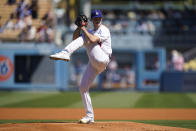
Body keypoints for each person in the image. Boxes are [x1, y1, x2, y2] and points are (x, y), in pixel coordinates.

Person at [50, 9, 112, 124]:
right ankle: (90, 116)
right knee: (83, 87)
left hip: (103, 58)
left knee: (86, 38)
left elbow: (92, 39)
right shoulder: (90, 30)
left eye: (99, 18)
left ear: (102, 19)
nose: (97, 19)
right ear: (92, 20)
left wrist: (83, 29)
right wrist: (79, 27)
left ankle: (65, 53)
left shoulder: (104, 30)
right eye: (95, 18)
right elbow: (75, 39)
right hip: (94, 64)